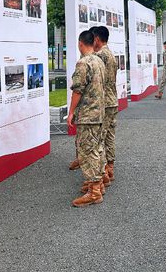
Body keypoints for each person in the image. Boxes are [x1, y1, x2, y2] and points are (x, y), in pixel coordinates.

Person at [67, 30, 107, 207]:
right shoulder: (99, 60)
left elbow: (77, 90)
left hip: (88, 115)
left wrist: (71, 112)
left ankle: (94, 192)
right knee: (97, 149)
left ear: (80, 43)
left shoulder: (83, 63)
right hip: (99, 113)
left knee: (87, 152)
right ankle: (97, 185)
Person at [92, 26, 118, 185]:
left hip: (103, 102)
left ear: (96, 39)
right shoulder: (111, 54)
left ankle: (102, 175)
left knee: (99, 138)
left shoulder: (99, 55)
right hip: (112, 100)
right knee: (109, 136)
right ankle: (110, 168)